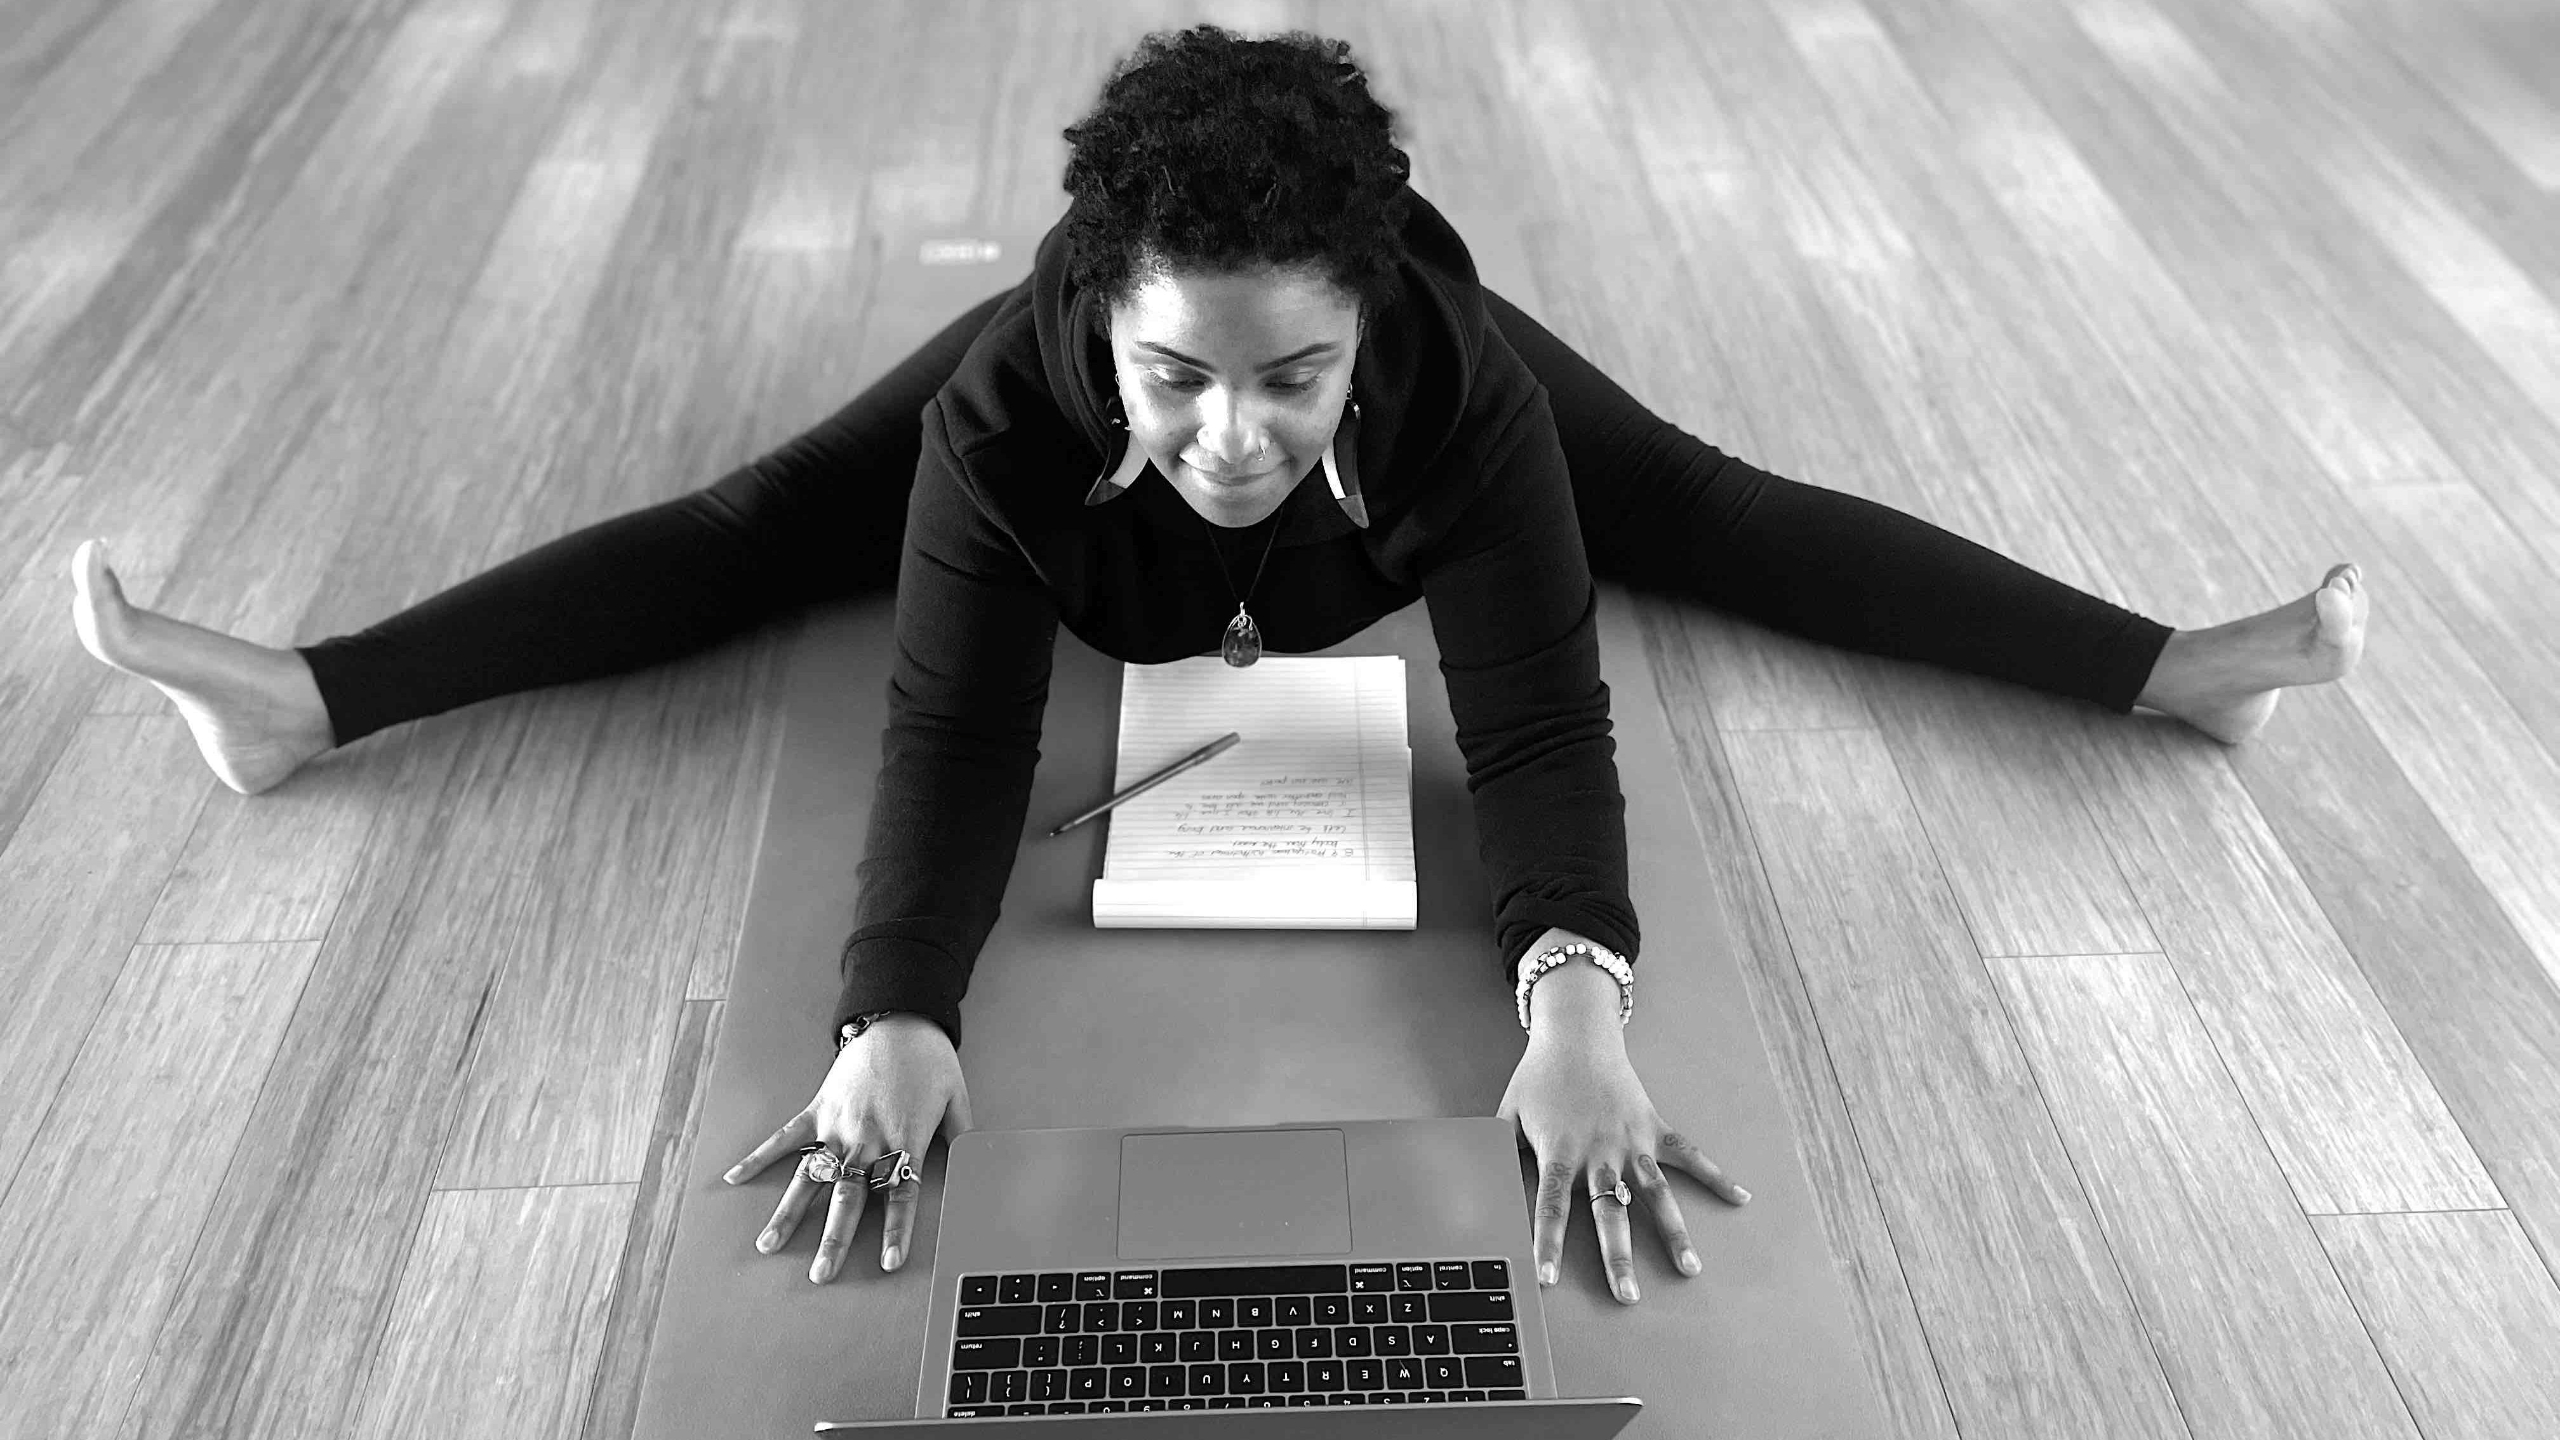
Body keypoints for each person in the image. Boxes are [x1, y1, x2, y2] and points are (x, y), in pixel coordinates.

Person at [68, 25, 2364, 1309]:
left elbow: (1541, 712)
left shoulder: (1457, 393)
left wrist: (1571, 1006)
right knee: (762, 531)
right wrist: (890, 1019)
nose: (1233, 439)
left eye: (1288, 377)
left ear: (1367, 328)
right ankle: (309, 698)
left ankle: (2173, 672)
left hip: (1461, 428)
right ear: (1105, 323)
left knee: (1722, 519)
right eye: (1181, 376)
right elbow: (954, 723)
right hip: (1017, 448)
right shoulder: (1014, 405)